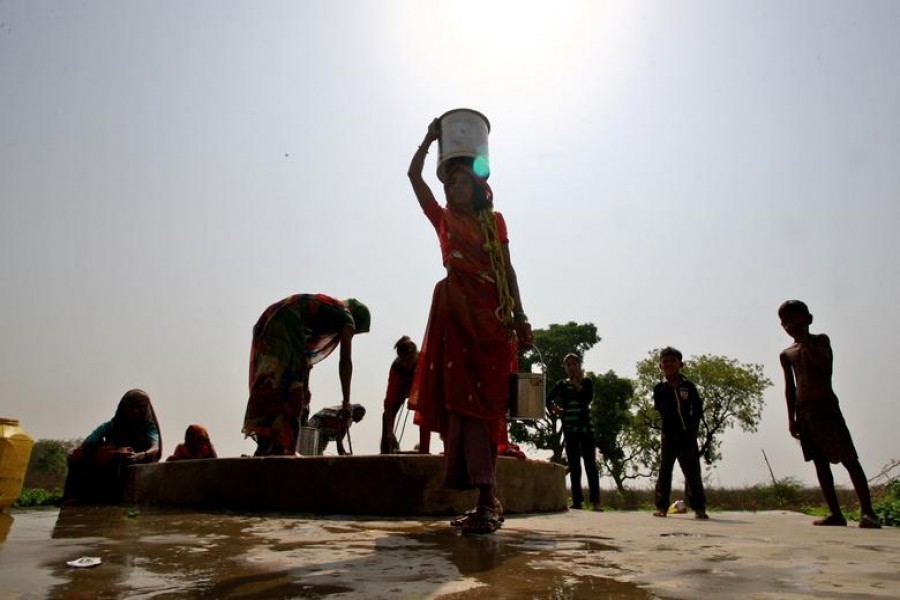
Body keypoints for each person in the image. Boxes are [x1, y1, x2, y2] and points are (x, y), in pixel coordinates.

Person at [407, 118, 533, 534]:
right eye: (447, 186)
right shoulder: (443, 220)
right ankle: (483, 499)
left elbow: (508, 272)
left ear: (476, 187)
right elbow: (413, 177)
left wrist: (521, 314)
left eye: (458, 183)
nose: (450, 190)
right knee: (462, 408)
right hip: (455, 321)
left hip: (490, 325)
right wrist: (428, 140)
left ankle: (488, 501)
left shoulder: (494, 223)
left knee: (487, 408)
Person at [778, 300, 881, 528]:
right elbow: (790, 388)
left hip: (826, 407)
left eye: (796, 318)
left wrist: (805, 341)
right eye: (786, 321)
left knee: (848, 459)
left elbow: (825, 367)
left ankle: (868, 512)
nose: (791, 324)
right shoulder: (787, 354)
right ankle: (835, 513)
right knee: (820, 463)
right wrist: (791, 418)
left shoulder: (821, 341)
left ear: (808, 319)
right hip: (804, 412)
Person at [242, 294, 371, 456]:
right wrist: (346, 401)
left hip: (271, 318)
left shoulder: (332, 309)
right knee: (292, 391)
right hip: (287, 323)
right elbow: (345, 362)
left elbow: (303, 353)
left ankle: (268, 445)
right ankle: (279, 448)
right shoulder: (347, 319)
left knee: (273, 384)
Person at [63, 389, 162, 504]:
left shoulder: (149, 427)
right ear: (123, 408)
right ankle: (76, 496)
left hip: (139, 461)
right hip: (113, 464)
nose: (136, 411)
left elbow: (156, 447)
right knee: (84, 454)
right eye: (132, 407)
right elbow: (87, 444)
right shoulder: (111, 426)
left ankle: (108, 498)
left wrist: (140, 455)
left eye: (140, 407)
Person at [651, 347, 709, 520]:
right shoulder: (659, 388)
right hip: (668, 435)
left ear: (680, 364)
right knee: (664, 470)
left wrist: (692, 429)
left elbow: (697, 408)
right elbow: (660, 410)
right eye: (665, 361)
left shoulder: (688, 385)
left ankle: (699, 508)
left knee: (692, 472)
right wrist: (666, 431)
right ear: (660, 365)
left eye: (672, 361)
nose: (669, 364)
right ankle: (662, 507)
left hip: (687, 435)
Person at [547, 353, 601, 510]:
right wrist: (555, 410)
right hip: (569, 429)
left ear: (579, 366)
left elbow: (587, 398)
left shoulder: (586, 382)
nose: (571, 367)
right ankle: (577, 501)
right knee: (574, 465)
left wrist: (576, 384)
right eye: (568, 365)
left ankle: (596, 502)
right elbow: (547, 398)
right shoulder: (561, 384)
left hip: (586, 428)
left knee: (590, 464)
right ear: (565, 368)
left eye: (574, 364)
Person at [380, 336, 418, 454]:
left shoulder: (423, 360)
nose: (406, 365)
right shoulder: (396, 368)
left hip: (421, 387)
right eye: (403, 361)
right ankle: (386, 450)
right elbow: (389, 402)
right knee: (386, 416)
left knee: (426, 413)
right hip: (401, 388)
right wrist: (390, 432)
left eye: (409, 361)